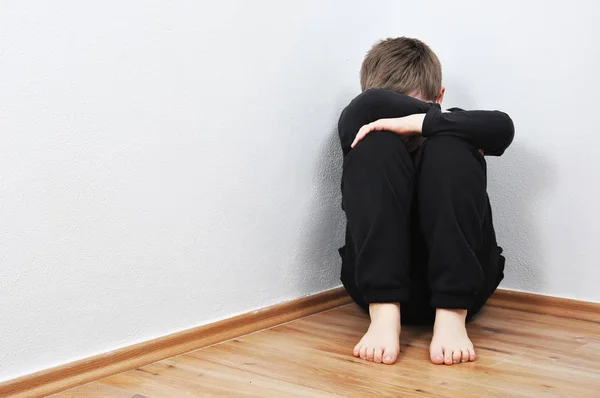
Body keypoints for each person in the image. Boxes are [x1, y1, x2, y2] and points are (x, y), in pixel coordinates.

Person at [337, 37, 514, 366]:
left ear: (440, 98)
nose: (401, 125)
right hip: (373, 291)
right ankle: (384, 317)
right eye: (394, 108)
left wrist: (429, 124)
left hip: (466, 290)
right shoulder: (359, 122)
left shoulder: (449, 129)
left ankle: (451, 315)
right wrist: (417, 118)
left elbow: (503, 127)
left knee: (450, 147)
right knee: (377, 145)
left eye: (410, 110)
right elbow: (369, 105)